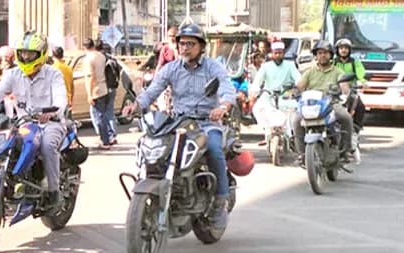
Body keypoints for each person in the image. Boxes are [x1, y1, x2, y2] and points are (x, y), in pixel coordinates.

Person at [129, 23, 236, 228]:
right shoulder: (171, 69)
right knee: (154, 147)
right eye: (182, 43)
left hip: (206, 122)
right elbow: (153, 90)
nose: (185, 48)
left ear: (201, 47)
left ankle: (220, 200)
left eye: (190, 44)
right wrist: (136, 104)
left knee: (213, 149)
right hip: (178, 122)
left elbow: (226, 87)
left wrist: (223, 106)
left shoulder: (212, 67)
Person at [0, 32, 68, 210]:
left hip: (51, 123)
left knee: (47, 146)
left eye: (30, 54)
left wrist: (54, 111)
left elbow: (60, 98)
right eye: (23, 53)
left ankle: (54, 192)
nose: (25, 57)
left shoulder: (53, 75)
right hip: (24, 124)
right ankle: (14, 181)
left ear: (40, 54)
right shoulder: (13, 74)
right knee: (5, 145)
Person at [292, 41, 356, 166]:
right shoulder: (309, 72)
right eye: (320, 53)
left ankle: (346, 151)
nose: (322, 56)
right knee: (296, 120)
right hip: (311, 104)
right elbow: (300, 86)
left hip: (331, 103)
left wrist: (345, 93)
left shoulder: (338, 72)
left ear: (331, 55)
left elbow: (344, 88)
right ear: (316, 55)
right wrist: (293, 92)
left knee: (345, 117)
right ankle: (301, 154)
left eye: (325, 53)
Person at [250, 41, 301, 142]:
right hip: (269, 96)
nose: (278, 55)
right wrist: (254, 92)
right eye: (275, 53)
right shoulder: (266, 66)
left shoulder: (290, 65)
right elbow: (257, 81)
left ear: (284, 53)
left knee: (293, 112)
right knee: (257, 109)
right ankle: (268, 132)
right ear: (272, 54)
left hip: (285, 95)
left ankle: (290, 137)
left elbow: (299, 80)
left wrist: (296, 89)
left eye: (280, 53)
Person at [81, 38, 117, 148]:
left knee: (98, 117)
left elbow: (90, 77)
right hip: (104, 88)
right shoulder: (101, 56)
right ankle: (109, 137)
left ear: (84, 48)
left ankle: (105, 141)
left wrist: (89, 94)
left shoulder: (88, 59)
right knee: (104, 115)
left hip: (96, 90)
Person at [333, 38, 368, 130]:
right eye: (341, 48)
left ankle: (356, 127)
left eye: (346, 48)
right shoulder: (333, 62)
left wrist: (363, 81)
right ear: (337, 50)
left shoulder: (354, 61)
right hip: (335, 91)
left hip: (350, 90)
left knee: (360, 107)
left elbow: (360, 72)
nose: (343, 50)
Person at [51, 46, 74, 111]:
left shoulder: (52, 69)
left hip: (56, 102)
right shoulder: (68, 68)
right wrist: (71, 100)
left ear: (53, 55)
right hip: (67, 101)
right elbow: (72, 86)